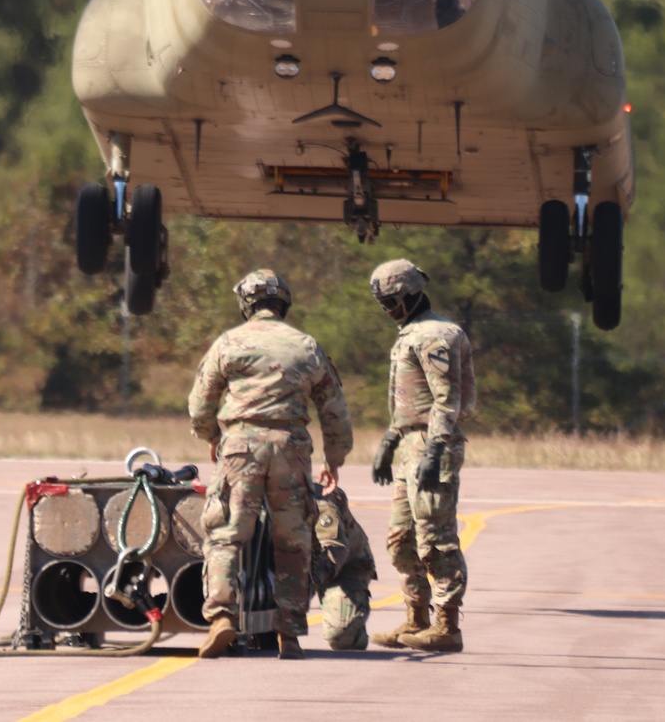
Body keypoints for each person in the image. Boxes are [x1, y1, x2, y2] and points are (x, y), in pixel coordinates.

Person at [188, 268, 353, 661]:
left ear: (247, 304)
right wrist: (334, 458)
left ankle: (222, 616)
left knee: (225, 533)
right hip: (291, 448)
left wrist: (213, 436)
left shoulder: (230, 342)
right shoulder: (306, 346)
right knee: (293, 541)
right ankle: (290, 633)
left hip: (241, 445)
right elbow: (335, 410)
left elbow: (199, 404)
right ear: (284, 304)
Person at [368, 257, 476, 654]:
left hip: (434, 446)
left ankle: (446, 625)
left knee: (436, 538)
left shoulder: (435, 335)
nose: (388, 311)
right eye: (383, 305)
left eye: (392, 303)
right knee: (401, 540)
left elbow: (447, 401)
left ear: (412, 295)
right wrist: (389, 441)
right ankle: (416, 618)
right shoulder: (410, 333)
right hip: (410, 445)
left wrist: (433, 450)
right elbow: (412, 400)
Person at [311, 485, 377, 650]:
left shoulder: (320, 499)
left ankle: (355, 628)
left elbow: (335, 550)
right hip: (287, 564)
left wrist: (307, 585)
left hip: (344, 566)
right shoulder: (251, 496)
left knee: (341, 636)